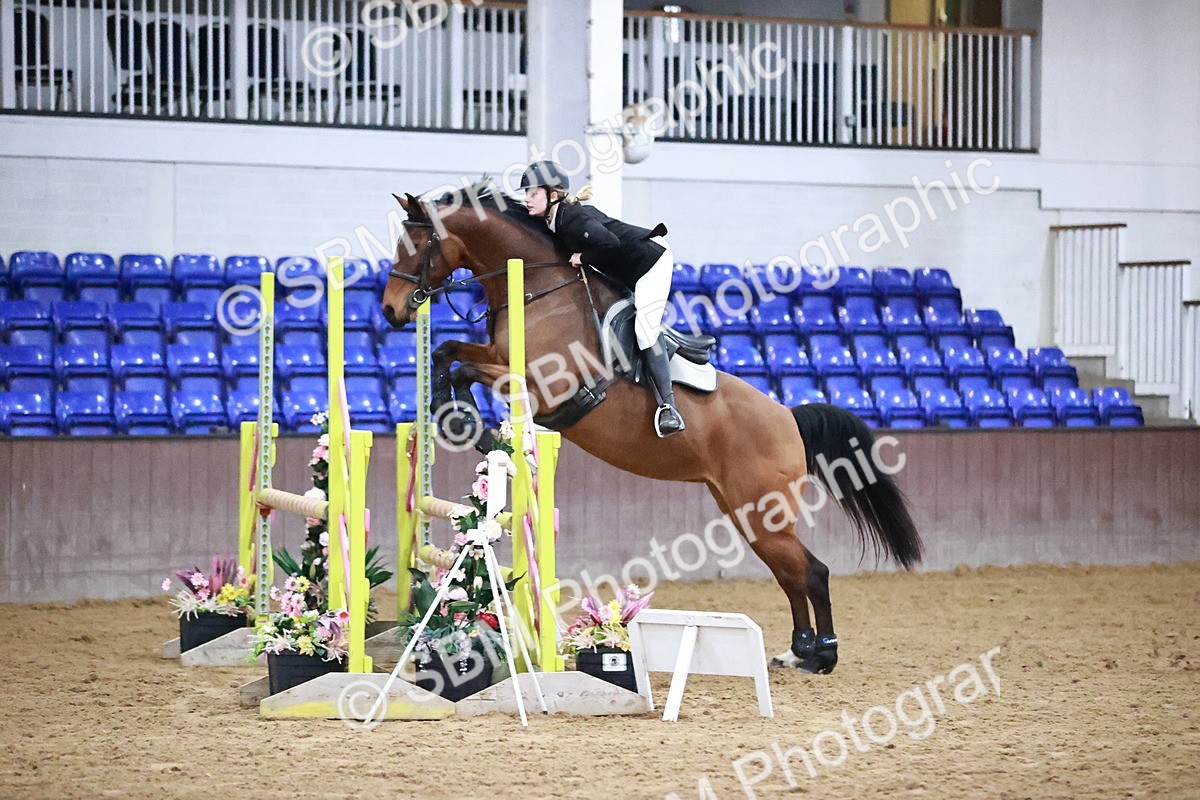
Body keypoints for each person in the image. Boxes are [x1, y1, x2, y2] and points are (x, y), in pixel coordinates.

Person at [519, 159, 684, 437]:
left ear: (553, 194)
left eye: (532, 193)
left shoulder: (572, 219)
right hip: (625, 269)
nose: (526, 199)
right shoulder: (555, 219)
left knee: (644, 331)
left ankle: (668, 407)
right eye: (525, 193)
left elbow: (611, 242)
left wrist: (582, 257)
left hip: (650, 262)